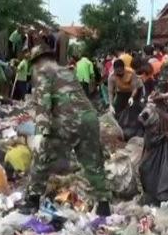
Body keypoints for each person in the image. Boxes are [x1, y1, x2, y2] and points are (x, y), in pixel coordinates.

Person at [23, 43, 111, 216]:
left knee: (42, 158)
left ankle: (32, 200)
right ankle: (103, 205)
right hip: (90, 118)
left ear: (37, 62)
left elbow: (43, 103)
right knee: (93, 162)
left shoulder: (43, 73)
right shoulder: (67, 71)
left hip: (67, 120)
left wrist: (42, 131)